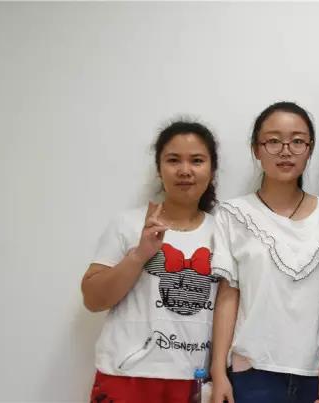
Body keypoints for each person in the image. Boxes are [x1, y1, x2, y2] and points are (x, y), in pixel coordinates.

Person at [210, 101, 319, 403]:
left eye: (297, 141)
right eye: (273, 141)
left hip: (312, 374)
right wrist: (218, 372)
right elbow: (228, 296)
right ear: (256, 149)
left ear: (309, 149)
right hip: (252, 372)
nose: (285, 151)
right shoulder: (233, 214)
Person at [81, 120, 220, 402]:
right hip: (126, 376)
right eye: (173, 160)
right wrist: (140, 254)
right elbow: (93, 300)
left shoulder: (224, 233)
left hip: (192, 380)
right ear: (159, 169)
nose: (185, 170)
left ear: (212, 169)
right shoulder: (128, 224)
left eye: (196, 160)